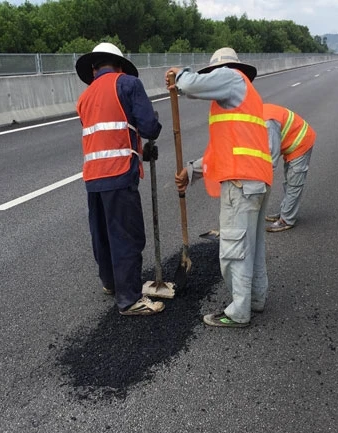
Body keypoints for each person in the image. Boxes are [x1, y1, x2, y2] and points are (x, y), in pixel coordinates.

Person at [166, 47, 273, 328]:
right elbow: (220, 153)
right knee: (253, 247)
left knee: (234, 251)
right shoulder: (238, 101)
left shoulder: (232, 77)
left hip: (240, 184)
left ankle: (239, 312)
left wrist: (179, 75)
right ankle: (256, 300)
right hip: (257, 181)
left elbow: (190, 84)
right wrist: (191, 171)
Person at [75, 42, 164, 316]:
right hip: (119, 172)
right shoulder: (128, 84)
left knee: (101, 233)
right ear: (120, 66)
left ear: (93, 68)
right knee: (126, 235)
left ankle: (111, 283)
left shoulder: (85, 96)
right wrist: (151, 128)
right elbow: (149, 126)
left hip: (93, 177)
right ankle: (129, 300)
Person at [262, 103, 316, 232]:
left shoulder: (267, 122)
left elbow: (271, 154)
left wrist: (262, 178)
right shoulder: (256, 113)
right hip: (290, 141)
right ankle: (285, 211)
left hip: (301, 141)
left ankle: (287, 219)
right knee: (288, 180)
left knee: (294, 182)